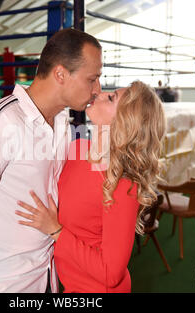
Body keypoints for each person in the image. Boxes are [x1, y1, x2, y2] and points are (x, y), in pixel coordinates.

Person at [0, 28, 102, 293]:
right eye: (92, 79)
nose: (97, 89)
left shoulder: (62, 123)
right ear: (61, 74)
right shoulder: (1, 121)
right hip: (4, 282)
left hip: (46, 276)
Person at [15, 80, 166, 293]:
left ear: (124, 122)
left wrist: (55, 231)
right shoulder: (77, 149)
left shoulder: (123, 184)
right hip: (68, 284)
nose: (101, 93)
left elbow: (111, 274)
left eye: (111, 97)